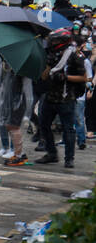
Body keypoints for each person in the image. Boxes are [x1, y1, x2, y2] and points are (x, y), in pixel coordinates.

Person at [37, 29, 85, 167]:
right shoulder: (50, 54)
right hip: (50, 96)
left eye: (56, 41)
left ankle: (69, 158)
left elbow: (84, 77)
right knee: (44, 125)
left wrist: (65, 77)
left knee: (68, 129)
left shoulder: (74, 55)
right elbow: (44, 76)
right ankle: (51, 153)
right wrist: (48, 66)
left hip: (66, 98)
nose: (52, 43)